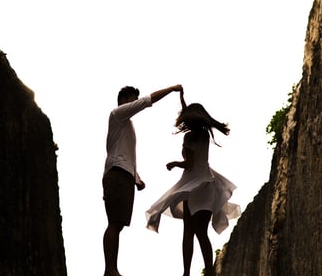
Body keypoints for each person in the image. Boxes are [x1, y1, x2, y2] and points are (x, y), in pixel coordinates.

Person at [145, 91, 241, 276]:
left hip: (192, 185)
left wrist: (173, 163)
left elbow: (189, 163)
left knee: (188, 231)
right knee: (202, 233)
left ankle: (186, 272)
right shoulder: (204, 135)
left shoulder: (188, 137)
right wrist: (181, 98)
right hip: (207, 185)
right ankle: (211, 271)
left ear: (189, 120)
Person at [103, 84, 183, 276]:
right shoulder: (118, 114)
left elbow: (125, 152)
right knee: (115, 223)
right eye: (132, 99)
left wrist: (136, 177)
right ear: (123, 100)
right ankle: (110, 270)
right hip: (117, 175)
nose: (135, 102)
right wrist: (172, 89)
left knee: (119, 223)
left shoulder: (126, 124)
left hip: (123, 175)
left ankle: (111, 269)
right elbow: (147, 101)